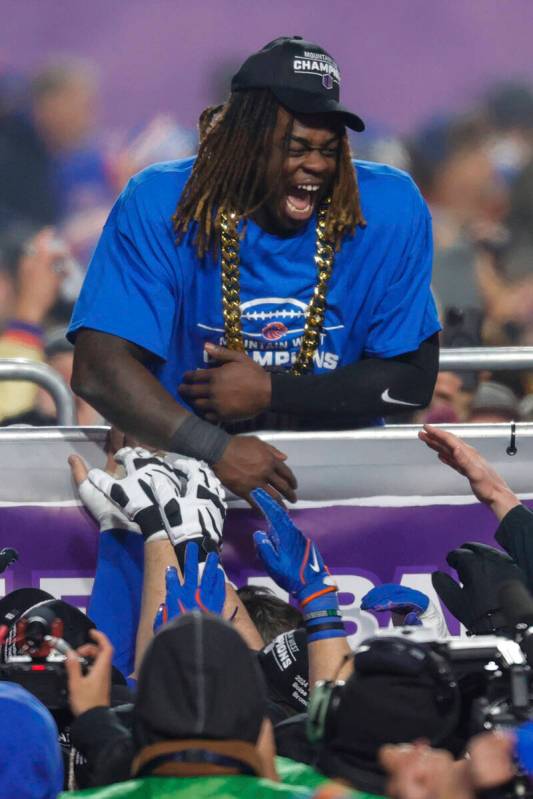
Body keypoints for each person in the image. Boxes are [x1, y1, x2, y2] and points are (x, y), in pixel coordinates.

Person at [69, 35, 440, 503]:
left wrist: (271, 392)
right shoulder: (161, 204)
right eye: (297, 146)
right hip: (179, 481)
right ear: (245, 143)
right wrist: (213, 448)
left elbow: (412, 382)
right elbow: (98, 369)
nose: (316, 165)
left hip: (344, 492)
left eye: (329, 149)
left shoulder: (388, 208)